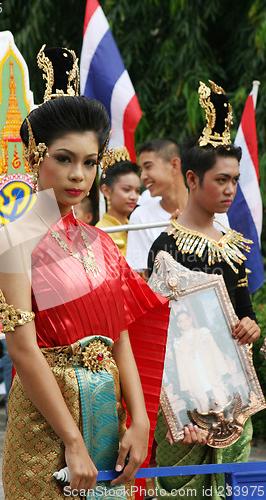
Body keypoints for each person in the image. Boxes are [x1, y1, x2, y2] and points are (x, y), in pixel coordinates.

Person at [0, 46, 169, 499]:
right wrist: (71, 442)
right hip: (46, 421)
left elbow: (120, 336)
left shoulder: (101, 241)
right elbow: (23, 351)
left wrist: (140, 419)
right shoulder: (15, 241)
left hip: (107, 412)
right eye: (64, 158)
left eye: (90, 162)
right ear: (35, 156)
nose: (79, 175)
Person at [147, 80, 260, 499]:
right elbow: (159, 330)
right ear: (192, 178)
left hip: (231, 390)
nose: (230, 189)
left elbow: (245, 315)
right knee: (182, 487)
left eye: (235, 180)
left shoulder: (234, 247)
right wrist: (179, 400)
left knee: (231, 486)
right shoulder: (166, 247)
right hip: (183, 392)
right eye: (221, 180)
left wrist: (251, 328)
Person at [126, 138, 230, 276]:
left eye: (148, 167)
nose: (143, 176)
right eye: (141, 170)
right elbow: (146, 278)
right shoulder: (140, 217)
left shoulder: (213, 210)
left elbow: (227, 265)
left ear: (174, 165)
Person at [96, 148, 141, 256]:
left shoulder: (137, 227)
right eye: (126, 189)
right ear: (106, 191)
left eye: (137, 191)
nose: (134, 196)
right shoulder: (100, 233)